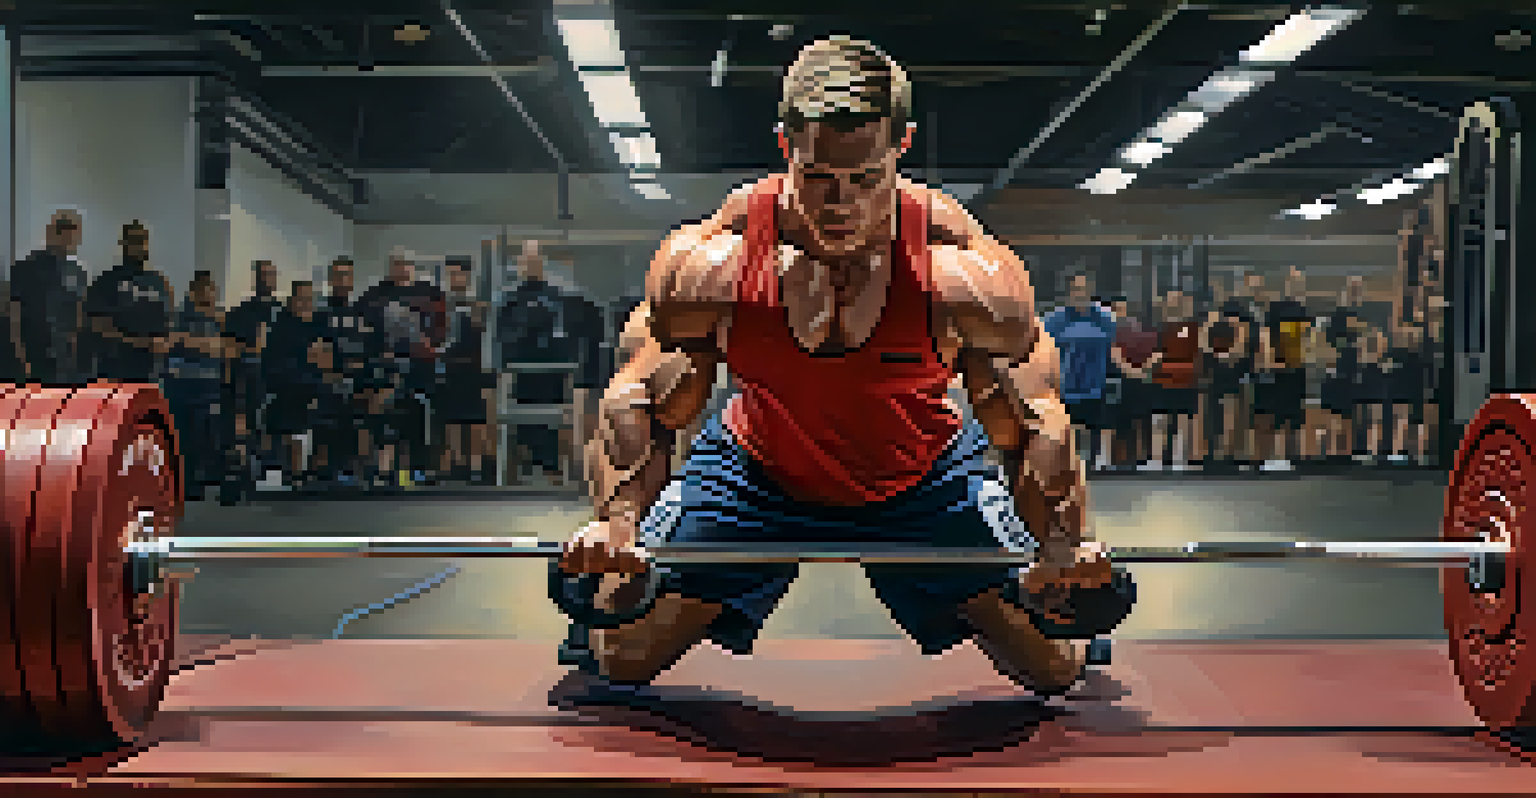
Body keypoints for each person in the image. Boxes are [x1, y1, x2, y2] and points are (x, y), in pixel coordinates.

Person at [557, 35, 1110, 694]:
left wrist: (1061, 548)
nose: (839, 203)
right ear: (787, 144)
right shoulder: (715, 261)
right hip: (756, 469)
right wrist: (616, 526)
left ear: (900, 148)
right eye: (818, 178)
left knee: (1054, 668)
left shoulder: (963, 272)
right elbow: (639, 398)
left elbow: (1033, 420)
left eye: (864, 178)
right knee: (621, 655)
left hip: (920, 477)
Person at [356, 251, 447, 488]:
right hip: (386, 365)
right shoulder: (374, 295)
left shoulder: (429, 293)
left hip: (420, 366)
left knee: (418, 415)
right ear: (390, 267)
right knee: (386, 415)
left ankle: (418, 469)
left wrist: (431, 347)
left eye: (406, 264)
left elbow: (442, 327)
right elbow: (361, 326)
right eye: (397, 264)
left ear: (413, 267)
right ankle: (383, 470)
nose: (402, 268)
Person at [497, 240, 579, 485]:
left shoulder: (555, 297)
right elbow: (503, 334)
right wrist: (502, 364)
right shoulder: (511, 298)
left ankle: (551, 469)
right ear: (521, 264)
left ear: (541, 263)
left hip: (552, 370)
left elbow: (565, 332)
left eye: (534, 260)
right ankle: (525, 467)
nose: (530, 264)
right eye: (526, 260)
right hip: (520, 371)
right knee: (522, 422)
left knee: (550, 422)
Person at [83, 221, 174, 384]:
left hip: (153, 371)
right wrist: (138, 343)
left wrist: (165, 342)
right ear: (123, 244)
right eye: (134, 240)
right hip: (115, 369)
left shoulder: (159, 282)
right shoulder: (106, 281)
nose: (140, 246)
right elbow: (97, 326)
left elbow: (169, 321)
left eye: (143, 240)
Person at [165, 271, 229, 500]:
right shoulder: (180, 315)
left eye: (212, 290)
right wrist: (205, 344)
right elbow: (172, 342)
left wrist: (192, 342)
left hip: (209, 388)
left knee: (207, 438)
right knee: (183, 439)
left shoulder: (219, 318)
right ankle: (184, 484)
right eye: (205, 290)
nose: (210, 294)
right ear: (193, 292)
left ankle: (202, 483)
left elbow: (225, 348)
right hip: (181, 388)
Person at [1042, 274, 1116, 471]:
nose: (1080, 294)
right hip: (1065, 386)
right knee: (1065, 430)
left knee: (1093, 429)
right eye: (1076, 290)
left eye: (1083, 289)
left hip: (1095, 385)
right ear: (1069, 293)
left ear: (1090, 292)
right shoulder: (1054, 320)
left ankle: (1091, 466)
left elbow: (1114, 348)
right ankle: (1066, 466)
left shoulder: (1106, 318)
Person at [313, 256, 374, 487]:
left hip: (356, 383)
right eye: (338, 275)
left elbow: (366, 348)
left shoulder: (359, 312)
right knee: (328, 423)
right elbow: (317, 349)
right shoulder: (319, 311)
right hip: (327, 383)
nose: (342, 280)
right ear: (331, 279)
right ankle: (326, 472)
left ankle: (350, 471)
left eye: (346, 275)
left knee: (356, 424)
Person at [225, 260, 284, 494]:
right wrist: (254, 350)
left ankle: (272, 475)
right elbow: (230, 348)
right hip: (248, 380)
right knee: (247, 429)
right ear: (256, 279)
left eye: (271, 275)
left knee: (273, 429)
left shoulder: (283, 312)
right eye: (263, 275)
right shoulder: (242, 313)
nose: (267, 279)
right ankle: (245, 475)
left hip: (277, 380)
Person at [435, 256, 495, 484]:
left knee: (476, 419)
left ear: (467, 276)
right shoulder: (441, 306)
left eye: (459, 273)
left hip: (474, 368)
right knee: (451, 420)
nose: (455, 278)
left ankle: (477, 466)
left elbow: (485, 336)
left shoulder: (478, 305)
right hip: (449, 368)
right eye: (451, 274)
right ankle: (455, 465)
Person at [12, 210, 88, 384]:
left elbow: (78, 311)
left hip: (66, 356)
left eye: (74, 231)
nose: (69, 236)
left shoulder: (78, 272)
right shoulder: (26, 268)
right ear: (51, 232)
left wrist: (75, 348)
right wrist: (20, 355)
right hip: (35, 353)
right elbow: (15, 314)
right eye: (63, 229)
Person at [264, 281, 326, 489]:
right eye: (302, 299)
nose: (306, 303)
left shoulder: (317, 324)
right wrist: (309, 355)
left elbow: (322, 356)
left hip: (310, 382)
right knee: (289, 413)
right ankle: (285, 471)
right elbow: (276, 360)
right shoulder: (280, 325)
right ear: (291, 301)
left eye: (310, 299)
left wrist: (313, 356)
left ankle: (308, 472)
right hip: (283, 383)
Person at [1253, 268, 1311, 472]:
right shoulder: (1276, 307)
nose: (1297, 284)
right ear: (1287, 283)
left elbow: (1305, 340)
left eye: (1300, 281)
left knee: (1291, 417)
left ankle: (1285, 458)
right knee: (1272, 416)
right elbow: (1267, 334)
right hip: (1278, 369)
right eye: (1294, 280)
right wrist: (1270, 360)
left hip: (1296, 370)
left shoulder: (1304, 309)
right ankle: (1267, 459)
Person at [1199, 285, 1253, 470]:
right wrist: (1217, 353)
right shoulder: (1212, 321)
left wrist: (1221, 355)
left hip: (1232, 375)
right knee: (1212, 416)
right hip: (1214, 375)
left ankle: (1228, 455)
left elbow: (1239, 349)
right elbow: (1203, 344)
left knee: (1231, 414)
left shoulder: (1239, 325)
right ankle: (1213, 453)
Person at [1145, 290, 1199, 471]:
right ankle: (1156, 460)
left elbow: (1196, 352)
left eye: (1178, 299)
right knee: (1159, 420)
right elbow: (1154, 355)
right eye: (1170, 299)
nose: (1174, 302)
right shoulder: (1158, 327)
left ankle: (1179, 460)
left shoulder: (1192, 327)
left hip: (1185, 382)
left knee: (1183, 420)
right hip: (1162, 382)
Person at [1108, 296, 1157, 470]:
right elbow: (1114, 355)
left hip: (1137, 380)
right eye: (1116, 309)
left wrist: (1142, 369)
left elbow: (1151, 350)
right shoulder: (1108, 329)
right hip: (1117, 379)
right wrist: (1134, 371)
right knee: (1121, 420)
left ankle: (1143, 456)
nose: (1119, 313)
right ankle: (1122, 458)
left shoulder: (1135, 327)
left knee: (1142, 416)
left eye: (1122, 308)